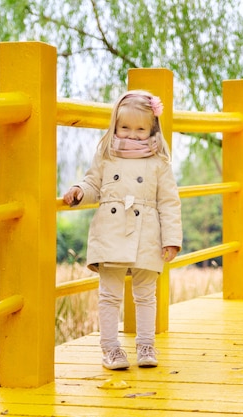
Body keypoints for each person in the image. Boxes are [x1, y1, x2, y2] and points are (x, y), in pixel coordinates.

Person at [63, 90, 182, 370]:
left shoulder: (159, 163)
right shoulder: (106, 155)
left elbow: (169, 202)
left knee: (145, 294)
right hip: (112, 231)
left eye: (140, 129)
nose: (131, 134)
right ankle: (111, 349)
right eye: (125, 127)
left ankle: (145, 345)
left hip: (147, 234)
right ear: (115, 125)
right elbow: (94, 184)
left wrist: (172, 239)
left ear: (152, 128)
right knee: (109, 294)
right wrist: (80, 191)